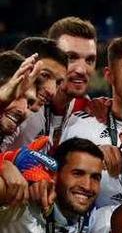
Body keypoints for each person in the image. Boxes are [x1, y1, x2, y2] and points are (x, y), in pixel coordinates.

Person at [11, 18, 98, 150]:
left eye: (90, 60)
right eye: (71, 58)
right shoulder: (21, 106)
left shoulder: (88, 108)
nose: (82, 70)